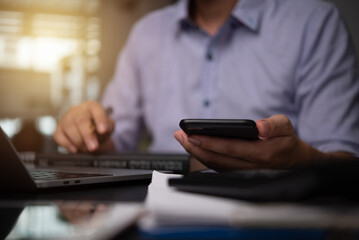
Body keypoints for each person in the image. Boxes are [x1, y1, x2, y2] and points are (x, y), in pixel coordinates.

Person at [54, 0, 359, 170]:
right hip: (157, 211)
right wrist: (88, 133)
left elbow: (345, 163)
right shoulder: (146, 33)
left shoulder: (315, 22)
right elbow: (115, 142)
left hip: (278, 215)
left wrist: (299, 161)